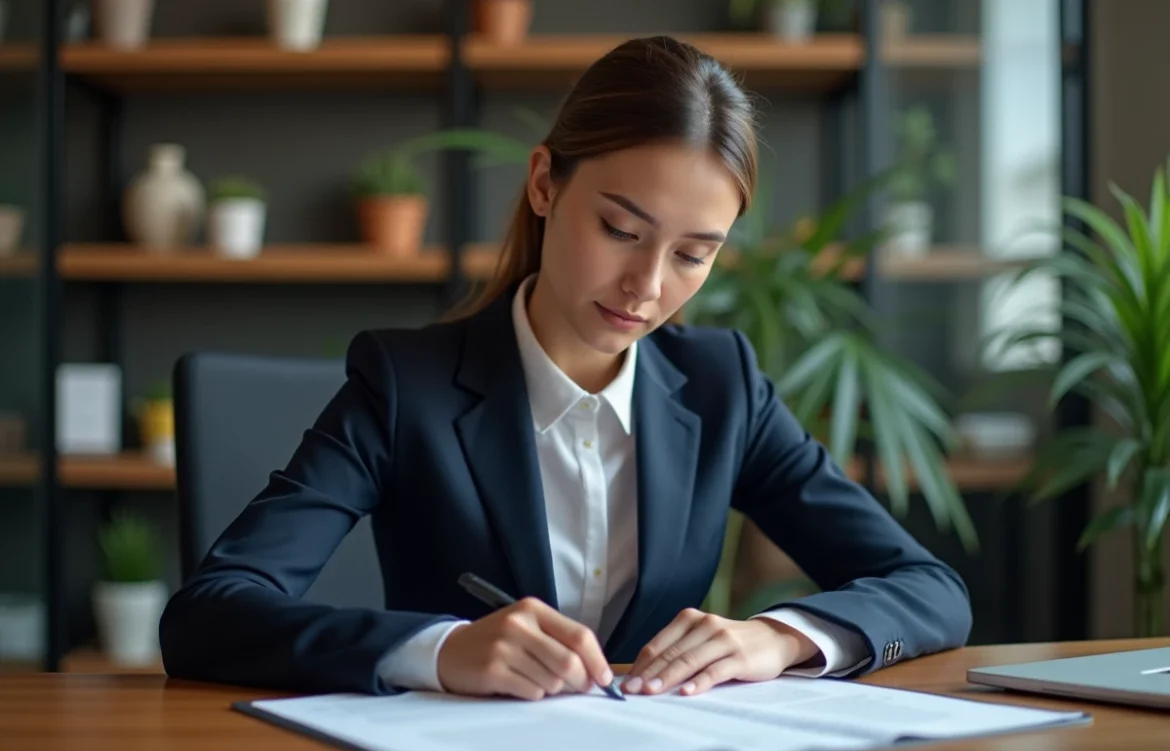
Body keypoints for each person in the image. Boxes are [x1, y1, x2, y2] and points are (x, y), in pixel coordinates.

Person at [159, 35, 972, 701]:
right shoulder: (406, 385)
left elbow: (928, 590)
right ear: (546, 182)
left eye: (695, 254)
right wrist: (440, 651)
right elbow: (209, 616)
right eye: (621, 230)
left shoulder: (723, 386)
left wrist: (777, 637)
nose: (649, 288)